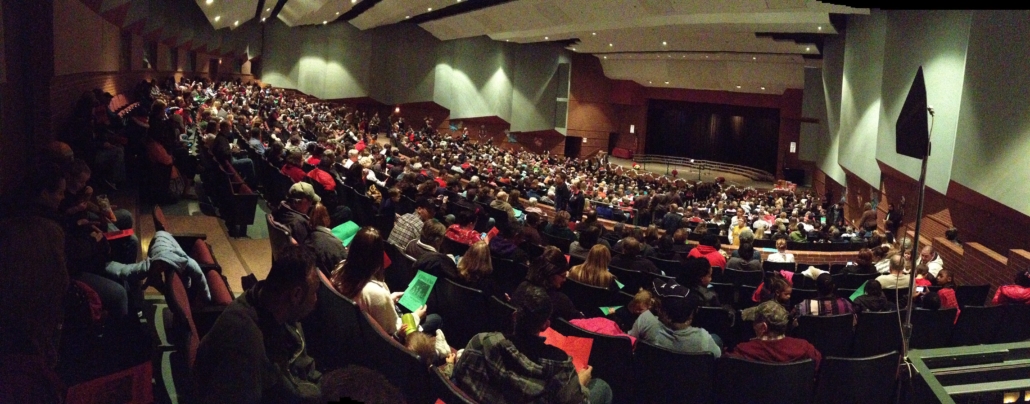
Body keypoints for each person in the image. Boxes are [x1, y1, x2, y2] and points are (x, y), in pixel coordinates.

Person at [193, 245, 321, 404]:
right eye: (315, 291)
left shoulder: (266, 306)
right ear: (296, 295)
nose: (316, 299)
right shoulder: (244, 345)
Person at [452, 285, 612, 404]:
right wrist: (581, 383)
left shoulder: (480, 341)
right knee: (602, 387)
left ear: (515, 316)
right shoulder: (558, 366)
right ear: (545, 325)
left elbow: (457, 377)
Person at [332, 227, 439, 337]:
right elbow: (393, 332)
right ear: (378, 256)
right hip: (382, 340)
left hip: (350, 330)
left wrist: (389, 299)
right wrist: (416, 316)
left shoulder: (340, 269)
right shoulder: (375, 292)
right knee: (435, 318)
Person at [628, 279, 722, 357]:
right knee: (716, 338)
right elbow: (717, 356)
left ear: (662, 312)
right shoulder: (704, 339)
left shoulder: (645, 320)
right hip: (686, 378)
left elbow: (630, 343)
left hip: (652, 375)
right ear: (691, 314)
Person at [730, 300, 822, 368]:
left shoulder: (742, 351)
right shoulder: (805, 348)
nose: (753, 325)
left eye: (754, 321)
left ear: (763, 327)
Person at [518, 246, 582, 321]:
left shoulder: (522, 287)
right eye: (563, 276)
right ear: (551, 274)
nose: (565, 279)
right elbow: (579, 322)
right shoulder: (561, 301)